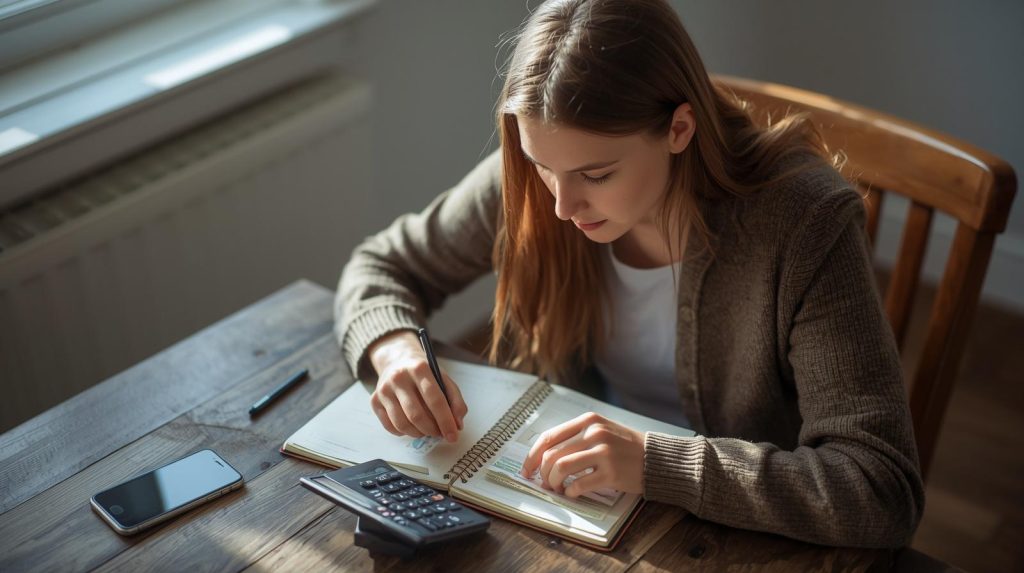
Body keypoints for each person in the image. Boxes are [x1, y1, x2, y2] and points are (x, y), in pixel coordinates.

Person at [335, 0, 923, 549]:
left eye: (597, 175)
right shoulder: (549, 175)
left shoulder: (803, 223)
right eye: (543, 167)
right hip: (578, 515)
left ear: (679, 129)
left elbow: (879, 486)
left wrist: (654, 462)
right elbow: (383, 262)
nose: (562, 205)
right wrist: (394, 350)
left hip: (737, 537)